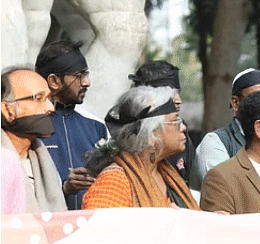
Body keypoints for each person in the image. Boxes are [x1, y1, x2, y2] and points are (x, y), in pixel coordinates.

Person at [81, 86, 199, 209]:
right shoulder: (114, 182)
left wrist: (212, 219)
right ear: (151, 133)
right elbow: (96, 226)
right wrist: (161, 220)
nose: (183, 127)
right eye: (175, 121)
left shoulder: (164, 172)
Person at [35, 40, 108, 210]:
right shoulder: (30, 129)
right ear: (54, 81)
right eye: (79, 75)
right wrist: (65, 188)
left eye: (86, 74)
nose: (87, 82)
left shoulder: (97, 127)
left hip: (91, 229)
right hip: (44, 230)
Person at [1, 67, 67, 213]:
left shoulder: (43, 159)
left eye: (50, 99)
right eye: (38, 98)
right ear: (7, 110)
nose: (50, 108)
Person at [128, 61, 195, 185]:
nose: (178, 100)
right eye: (170, 95)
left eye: (178, 93)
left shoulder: (181, 131)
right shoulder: (128, 133)